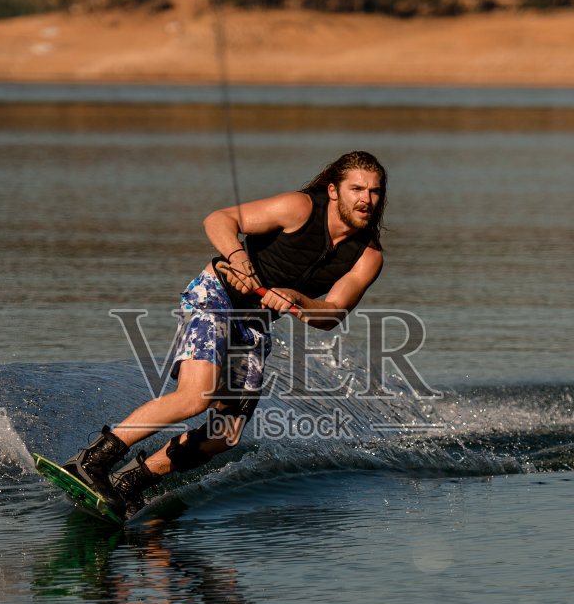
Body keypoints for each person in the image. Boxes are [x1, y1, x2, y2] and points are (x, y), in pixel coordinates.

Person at [62, 150, 387, 518]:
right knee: (194, 397)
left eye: (374, 192)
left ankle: (131, 483)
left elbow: (332, 315)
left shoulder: (367, 257)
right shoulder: (299, 208)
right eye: (357, 189)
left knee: (224, 434)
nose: (366, 199)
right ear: (333, 191)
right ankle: (91, 462)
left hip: (253, 323)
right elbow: (219, 219)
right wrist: (237, 256)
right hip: (216, 296)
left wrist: (297, 299)